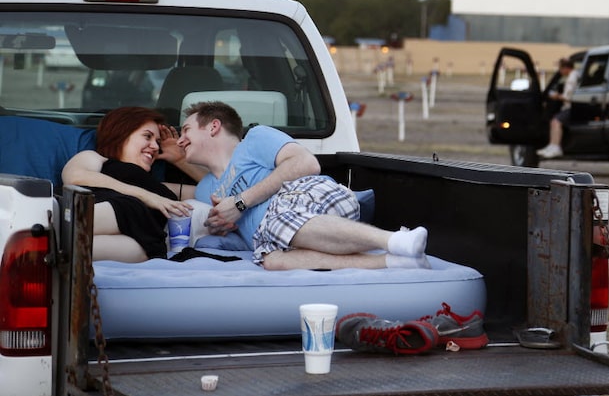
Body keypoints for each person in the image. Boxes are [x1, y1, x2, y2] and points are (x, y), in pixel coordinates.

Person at [176, 101, 429, 270]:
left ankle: (395, 240)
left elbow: (307, 163)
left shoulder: (254, 139)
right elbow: (165, 192)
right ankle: (394, 260)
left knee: (277, 221)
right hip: (276, 237)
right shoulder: (206, 188)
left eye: (185, 130)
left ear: (213, 126)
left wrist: (241, 203)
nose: (180, 140)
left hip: (311, 194)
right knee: (271, 261)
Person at [62, 107, 207, 262]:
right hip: (111, 211)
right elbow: (75, 177)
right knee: (63, 238)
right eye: (147, 136)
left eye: (157, 142)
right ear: (121, 134)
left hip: (145, 243)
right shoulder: (98, 159)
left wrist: (181, 160)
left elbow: (215, 190)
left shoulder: (161, 188)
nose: (156, 147)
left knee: (65, 252)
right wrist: (146, 196)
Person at [537, 58, 577, 159]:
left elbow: (568, 97)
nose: (560, 71)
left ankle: (555, 147)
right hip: (570, 107)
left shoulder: (572, 78)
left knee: (556, 121)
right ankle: (552, 146)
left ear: (566, 68)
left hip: (571, 107)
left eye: (560, 69)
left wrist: (556, 96)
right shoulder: (574, 76)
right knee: (554, 121)